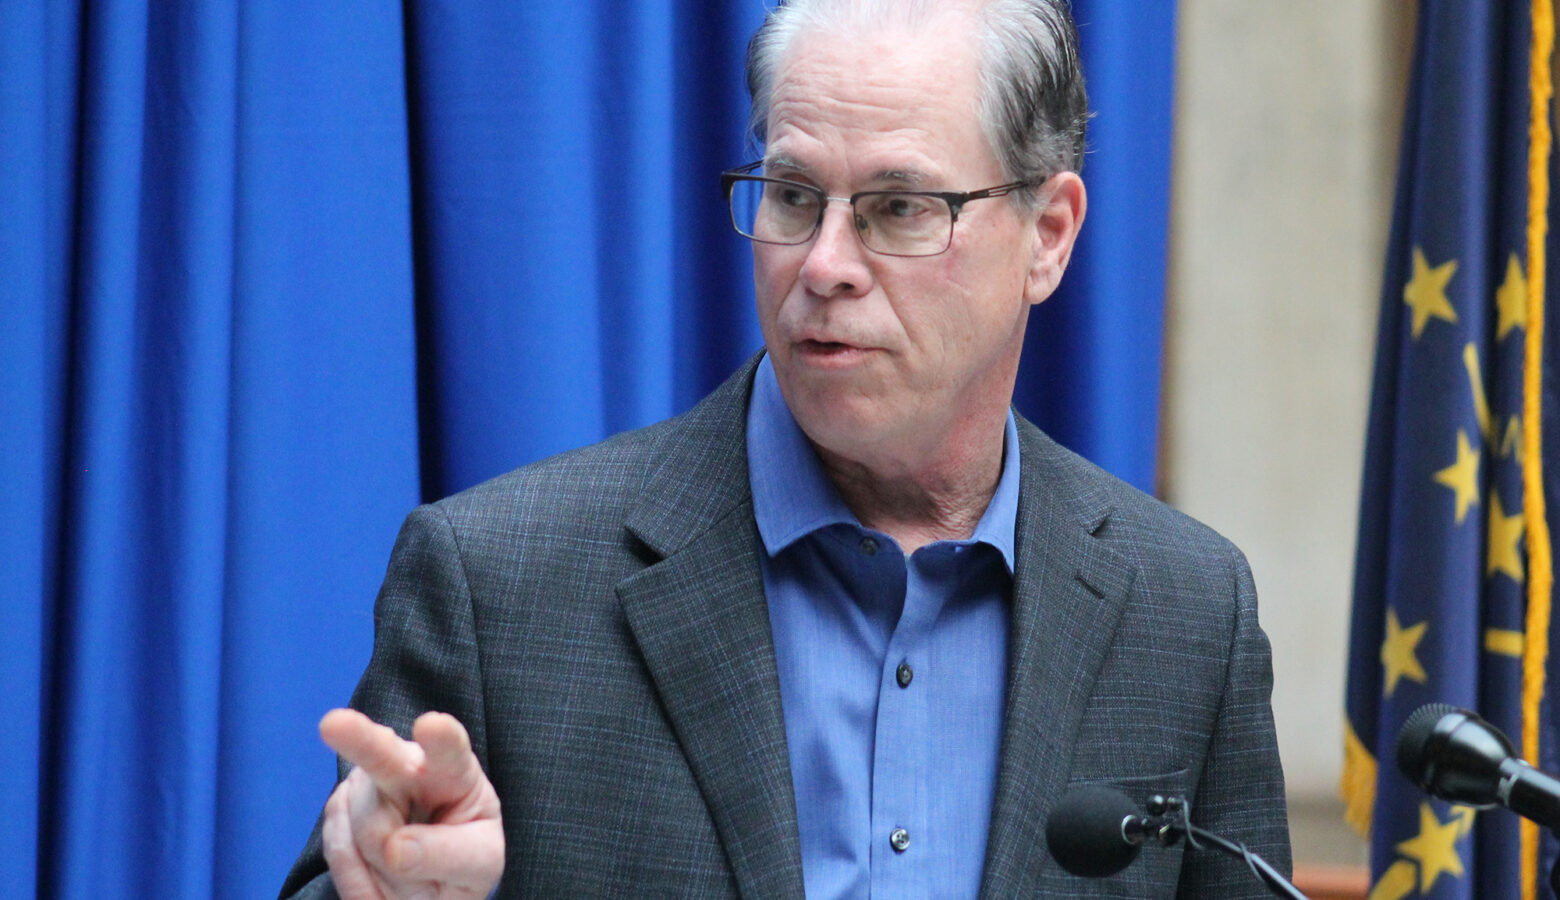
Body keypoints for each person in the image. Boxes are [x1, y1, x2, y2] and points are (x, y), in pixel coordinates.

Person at [280, 0, 1290, 896]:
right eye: (795, 195)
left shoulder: (1188, 612)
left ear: (1049, 234)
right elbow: (376, 864)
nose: (824, 264)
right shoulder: (500, 583)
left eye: (899, 208)